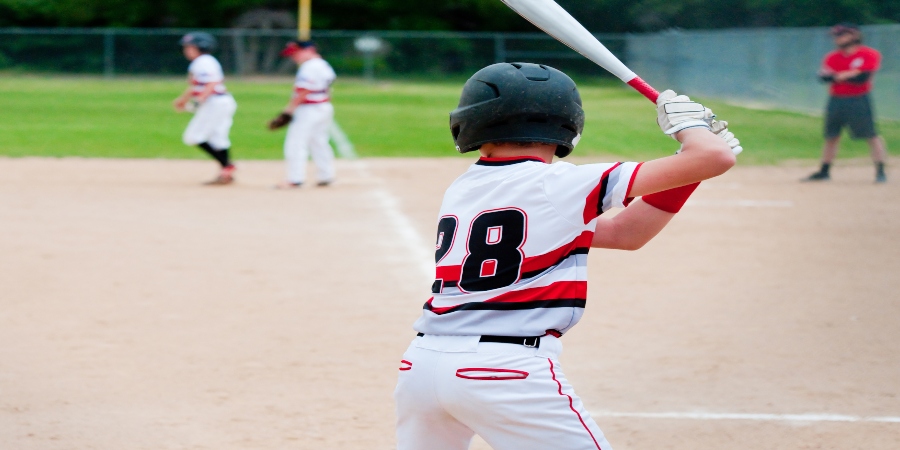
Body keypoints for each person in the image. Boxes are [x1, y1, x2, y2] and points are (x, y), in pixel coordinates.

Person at [393, 62, 741, 450]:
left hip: (421, 367)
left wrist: (692, 166)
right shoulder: (559, 184)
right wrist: (690, 127)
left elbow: (626, 234)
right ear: (566, 123)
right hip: (503, 372)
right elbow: (715, 158)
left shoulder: (466, 186)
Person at [806, 23, 887, 183]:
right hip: (836, 98)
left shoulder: (868, 54)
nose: (837, 39)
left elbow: (862, 78)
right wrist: (847, 75)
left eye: (841, 35)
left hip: (858, 99)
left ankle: (880, 171)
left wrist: (840, 76)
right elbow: (823, 77)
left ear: (854, 36)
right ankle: (824, 171)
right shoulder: (832, 57)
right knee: (831, 136)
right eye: (836, 36)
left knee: (871, 135)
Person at [268, 40, 337, 189]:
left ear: (309, 50)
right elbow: (329, 86)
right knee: (319, 142)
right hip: (323, 106)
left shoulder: (308, 67)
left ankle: (295, 179)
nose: (294, 57)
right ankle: (326, 175)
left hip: (309, 109)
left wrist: (288, 111)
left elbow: (303, 91)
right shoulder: (323, 64)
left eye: (295, 53)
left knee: (295, 143)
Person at [173, 32, 238, 185]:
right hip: (220, 102)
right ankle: (226, 171)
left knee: (193, 136)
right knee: (218, 138)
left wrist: (199, 99)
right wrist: (184, 99)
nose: (186, 50)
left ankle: (228, 166)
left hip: (215, 103)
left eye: (190, 47)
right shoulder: (202, 62)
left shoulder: (204, 61)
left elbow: (213, 82)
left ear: (201, 47)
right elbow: (196, 85)